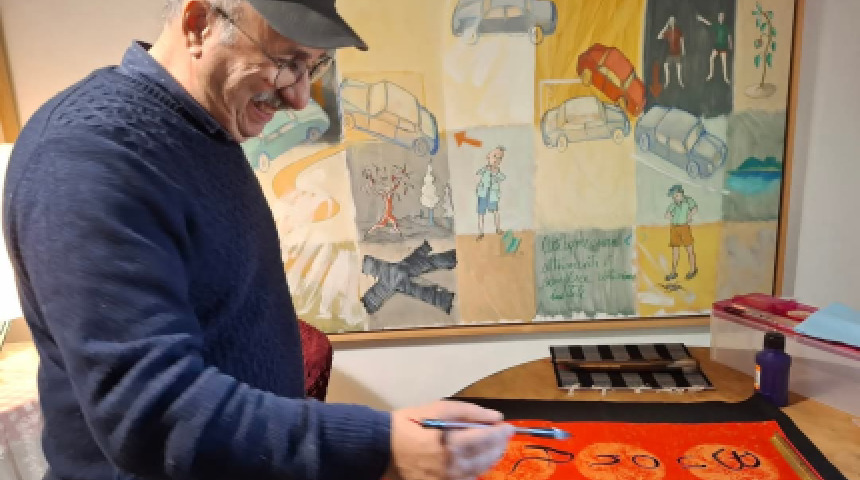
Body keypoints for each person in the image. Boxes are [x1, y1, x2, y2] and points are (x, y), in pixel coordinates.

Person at [2, 1, 514, 480]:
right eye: (287, 62)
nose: (300, 97)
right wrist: (380, 444)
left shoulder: (201, 129)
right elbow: (153, 412)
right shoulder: (89, 157)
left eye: (313, 66)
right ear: (199, 23)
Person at [664, 184, 698, 281]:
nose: (675, 198)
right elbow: (667, 214)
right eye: (673, 196)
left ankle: (692, 270)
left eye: (676, 195)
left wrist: (690, 215)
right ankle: (673, 272)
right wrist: (669, 216)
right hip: (674, 228)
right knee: (675, 250)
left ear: (681, 193)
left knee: (689, 249)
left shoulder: (688, 200)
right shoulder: (673, 204)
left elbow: (695, 208)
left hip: (684, 227)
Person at [475, 146, 506, 240]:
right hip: (483, 194)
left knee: (495, 211)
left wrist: (496, 172)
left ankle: (498, 229)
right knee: (481, 213)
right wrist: (487, 169)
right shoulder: (485, 169)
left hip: (493, 195)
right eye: (494, 156)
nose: (496, 160)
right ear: (488, 156)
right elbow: (477, 173)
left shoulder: (498, 171)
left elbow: (503, 178)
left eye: (500, 158)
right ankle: (481, 232)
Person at [697, 12, 732, 84]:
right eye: (720, 16)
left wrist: (730, 44)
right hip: (717, 46)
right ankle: (711, 74)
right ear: (718, 18)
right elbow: (708, 23)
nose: (721, 18)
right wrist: (701, 19)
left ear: (723, 18)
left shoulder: (726, 27)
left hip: (723, 47)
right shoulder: (716, 25)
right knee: (711, 58)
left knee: (724, 62)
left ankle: (725, 78)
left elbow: (729, 36)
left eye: (722, 16)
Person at [657, 16, 685, 89]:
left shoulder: (678, 31)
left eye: (672, 20)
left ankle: (680, 81)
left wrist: (683, 49)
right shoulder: (668, 32)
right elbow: (659, 36)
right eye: (670, 21)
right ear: (669, 22)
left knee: (678, 67)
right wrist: (665, 27)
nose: (671, 22)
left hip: (677, 52)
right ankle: (667, 82)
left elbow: (682, 40)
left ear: (674, 21)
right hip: (670, 53)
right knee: (666, 66)